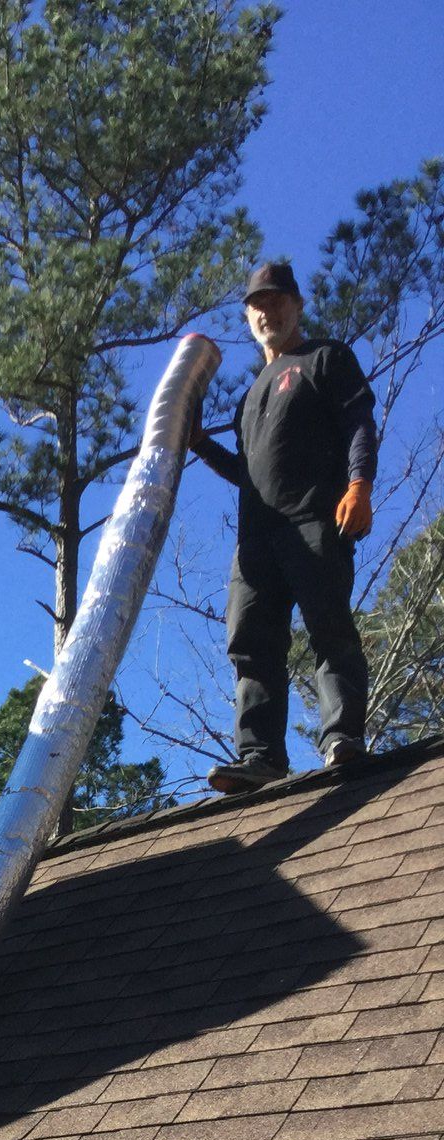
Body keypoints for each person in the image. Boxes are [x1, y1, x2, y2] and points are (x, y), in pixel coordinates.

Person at [192, 260, 378, 794]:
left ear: (297, 304)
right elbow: (249, 473)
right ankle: (261, 757)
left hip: (316, 516)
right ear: (248, 317)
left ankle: (342, 736)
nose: (265, 310)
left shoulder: (324, 357)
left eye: (275, 300)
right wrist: (202, 445)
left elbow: (358, 421)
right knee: (250, 644)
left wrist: (359, 485)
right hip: (257, 537)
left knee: (328, 628)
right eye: (256, 304)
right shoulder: (250, 396)